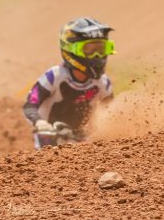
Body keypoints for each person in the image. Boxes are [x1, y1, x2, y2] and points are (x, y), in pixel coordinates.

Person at [22, 17, 115, 148]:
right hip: (48, 146)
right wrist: (39, 122)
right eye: (89, 49)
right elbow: (30, 105)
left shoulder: (103, 83)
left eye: (101, 49)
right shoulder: (54, 76)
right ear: (70, 49)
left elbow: (111, 115)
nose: (97, 56)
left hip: (83, 145)